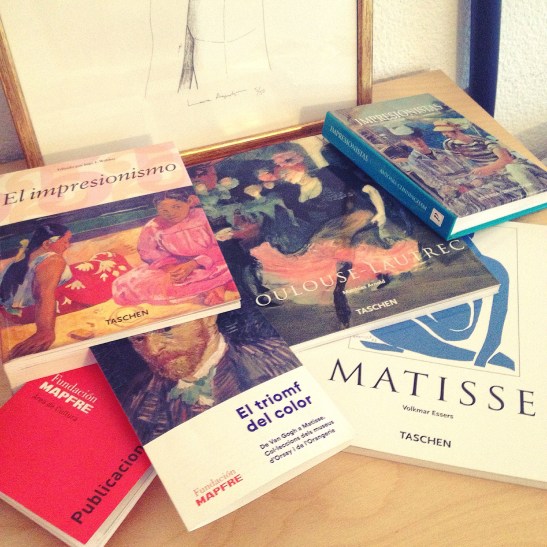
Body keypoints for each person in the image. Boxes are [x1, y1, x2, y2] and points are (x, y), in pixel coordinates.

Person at [108, 306, 301, 444]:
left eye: (167, 329)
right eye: (139, 339)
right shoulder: (137, 403)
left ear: (208, 317)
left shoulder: (278, 359)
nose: (153, 349)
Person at [112, 189, 235, 306]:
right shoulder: (153, 227)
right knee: (133, 284)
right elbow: (149, 253)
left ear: (189, 202)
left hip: (213, 261)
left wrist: (195, 263)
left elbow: (219, 245)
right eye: (163, 210)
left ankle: (217, 286)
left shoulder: (203, 217)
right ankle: (207, 287)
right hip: (177, 264)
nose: (171, 213)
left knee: (231, 265)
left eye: (176, 207)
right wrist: (173, 269)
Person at [0, 223, 73, 358]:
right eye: (65, 241)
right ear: (46, 244)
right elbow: (43, 293)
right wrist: (45, 331)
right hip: (31, 311)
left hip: (12, 309)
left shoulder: (19, 261)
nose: (67, 246)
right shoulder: (53, 259)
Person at [433, 119, 547, 196]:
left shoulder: (483, 141)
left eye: (445, 131)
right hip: (493, 172)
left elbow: (507, 159)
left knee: (513, 168)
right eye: (441, 133)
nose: (444, 135)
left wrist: (487, 169)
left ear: (455, 129)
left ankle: (537, 197)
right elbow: (460, 162)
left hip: (512, 164)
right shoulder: (449, 144)